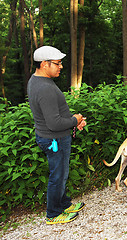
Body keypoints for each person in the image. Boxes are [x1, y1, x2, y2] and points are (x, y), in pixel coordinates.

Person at [27, 46, 87, 224]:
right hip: (54, 139)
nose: (61, 67)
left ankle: (63, 204)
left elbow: (53, 116)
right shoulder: (45, 88)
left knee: (62, 173)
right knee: (58, 175)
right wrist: (74, 120)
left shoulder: (37, 80)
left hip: (54, 135)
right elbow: (53, 123)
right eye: (57, 63)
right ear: (44, 64)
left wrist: (72, 122)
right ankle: (53, 214)